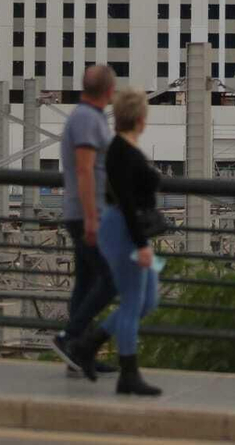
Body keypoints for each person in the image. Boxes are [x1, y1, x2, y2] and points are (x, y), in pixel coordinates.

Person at [72, 87, 163, 397]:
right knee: (133, 302)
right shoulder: (122, 153)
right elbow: (126, 201)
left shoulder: (124, 149)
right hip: (125, 230)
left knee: (148, 300)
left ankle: (88, 344)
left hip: (126, 227)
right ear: (141, 119)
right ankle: (129, 373)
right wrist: (141, 245)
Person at [51, 64, 117, 375]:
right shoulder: (88, 119)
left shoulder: (85, 117)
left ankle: (78, 357)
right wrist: (93, 219)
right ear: (109, 91)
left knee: (86, 283)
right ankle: (70, 339)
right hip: (89, 216)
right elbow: (85, 170)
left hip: (84, 213)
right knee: (112, 280)